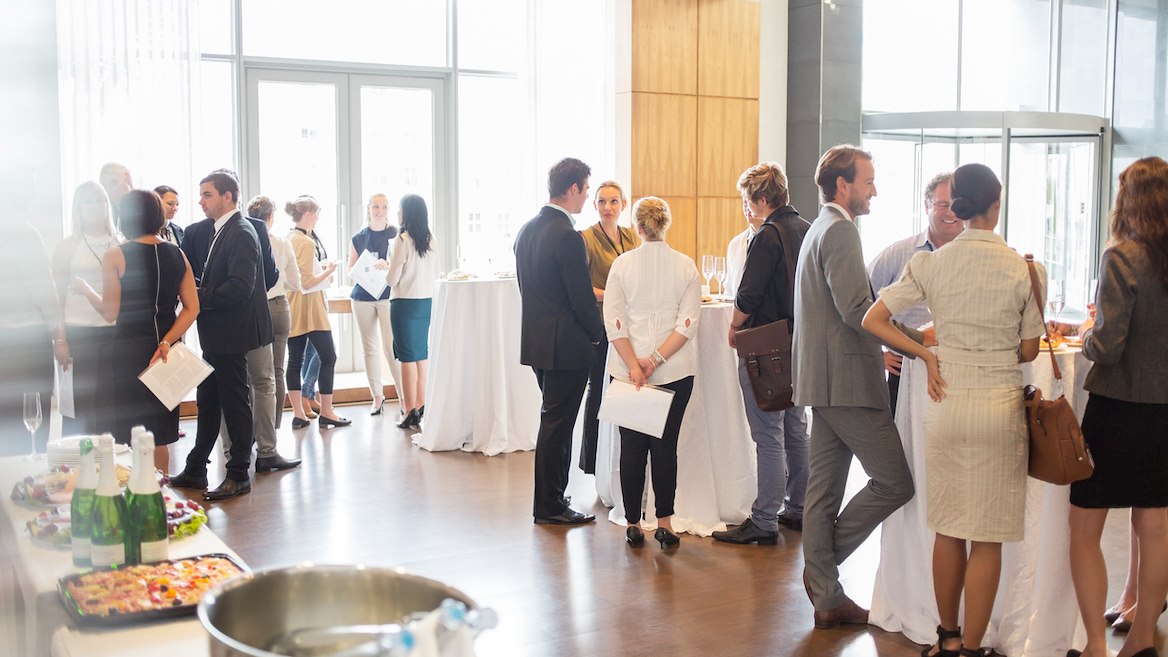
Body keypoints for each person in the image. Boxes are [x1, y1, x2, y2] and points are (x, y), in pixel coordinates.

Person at [862, 163, 1043, 657]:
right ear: (996, 205)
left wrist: (924, 353)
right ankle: (976, 645)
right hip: (999, 409)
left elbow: (874, 317)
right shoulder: (1022, 268)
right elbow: (1029, 352)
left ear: (955, 205)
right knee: (987, 537)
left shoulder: (931, 263)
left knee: (948, 528)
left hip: (945, 405)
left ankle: (947, 637)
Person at [792, 145, 924, 630]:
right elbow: (857, 310)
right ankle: (821, 573)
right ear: (843, 185)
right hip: (847, 380)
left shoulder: (819, 228)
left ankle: (826, 596)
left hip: (821, 378)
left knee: (822, 492)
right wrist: (918, 341)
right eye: (868, 181)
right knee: (895, 481)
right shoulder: (841, 229)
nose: (875, 190)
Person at [1050, 156, 1168, 657]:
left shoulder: (1122, 258)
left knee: (1084, 525)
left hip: (1119, 410)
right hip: (1164, 410)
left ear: (1129, 201)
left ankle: (1095, 645)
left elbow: (1108, 347)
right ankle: (1143, 637)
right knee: (1155, 523)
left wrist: (1091, 333)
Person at [713, 162, 811, 546]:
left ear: (762, 198)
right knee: (795, 427)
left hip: (766, 344)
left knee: (768, 433)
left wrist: (735, 327)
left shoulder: (767, 236)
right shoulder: (805, 228)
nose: (746, 206)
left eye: (747, 198)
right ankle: (799, 507)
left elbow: (748, 293)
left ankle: (764, 519)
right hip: (799, 341)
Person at [74, 190, 199, 472]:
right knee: (160, 435)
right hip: (166, 352)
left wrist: (85, 289)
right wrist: (167, 341)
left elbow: (109, 311)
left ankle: (132, 497)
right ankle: (161, 498)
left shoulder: (115, 255)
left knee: (130, 433)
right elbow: (192, 308)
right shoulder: (177, 254)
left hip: (129, 351)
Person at [169, 169, 274, 500]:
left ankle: (239, 472)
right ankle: (197, 466)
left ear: (228, 197)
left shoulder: (241, 231)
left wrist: (198, 295)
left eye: (207, 195)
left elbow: (241, 288)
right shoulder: (221, 230)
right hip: (218, 334)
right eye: (201, 195)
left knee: (235, 402)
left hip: (232, 332)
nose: (201, 201)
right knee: (209, 400)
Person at [602, 196, 699, 549]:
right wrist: (655, 360)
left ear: (638, 228)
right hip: (674, 370)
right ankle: (666, 523)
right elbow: (687, 323)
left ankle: (631, 522)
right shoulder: (686, 265)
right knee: (665, 448)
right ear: (664, 225)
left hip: (629, 372)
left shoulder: (622, 265)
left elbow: (614, 321)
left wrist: (634, 365)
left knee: (632, 448)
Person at [514, 157, 606, 525]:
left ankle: (552, 496)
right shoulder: (567, 236)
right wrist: (598, 336)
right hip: (567, 346)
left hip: (538, 343)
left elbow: (528, 289)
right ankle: (549, 505)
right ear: (573, 189)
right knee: (558, 424)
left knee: (554, 421)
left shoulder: (527, 230)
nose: (586, 198)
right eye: (585, 190)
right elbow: (580, 297)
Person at [867, 172, 959, 415]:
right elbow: (857, 307)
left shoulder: (976, 257)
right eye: (943, 205)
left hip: (960, 375)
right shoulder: (898, 254)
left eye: (958, 204)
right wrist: (876, 356)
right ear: (927, 205)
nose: (951, 212)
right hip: (905, 373)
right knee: (905, 449)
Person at [0, 172, 63, 454]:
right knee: (31, 414)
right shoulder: (23, 231)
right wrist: (58, 334)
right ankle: (24, 486)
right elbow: (43, 290)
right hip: (27, 338)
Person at [51, 181, 120, 435]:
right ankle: (76, 467)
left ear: (107, 205)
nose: (94, 206)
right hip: (78, 330)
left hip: (113, 331)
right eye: (87, 201)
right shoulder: (68, 246)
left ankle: (111, 465)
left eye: (99, 200)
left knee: (110, 402)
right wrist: (60, 339)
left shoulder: (119, 241)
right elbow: (56, 296)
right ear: (78, 207)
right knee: (79, 406)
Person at [578, 180, 636, 474]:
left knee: (624, 390)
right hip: (599, 325)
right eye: (602, 202)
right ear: (594, 205)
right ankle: (592, 463)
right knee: (598, 390)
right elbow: (580, 287)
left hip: (627, 326)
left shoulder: (631, 236)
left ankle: (619, 462)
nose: (608, 208)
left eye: (613, 202)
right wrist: (612, 294)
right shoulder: (585, 238)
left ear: (624, 204)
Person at [284, 195, 350, 429]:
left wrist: (319, 269)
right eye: (317, 213)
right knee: (328, 356)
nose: (319, 217)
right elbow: (307, 281)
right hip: (309, 308)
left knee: (295, 359)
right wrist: (329, 270)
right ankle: (327, 411)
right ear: (309, 214)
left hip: (293, 305)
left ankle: (299, 413)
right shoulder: (305, 242)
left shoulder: (290, 237)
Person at [385, 194, 438, 430]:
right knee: (420, 356)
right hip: (425, 302)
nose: (397, 213)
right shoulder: (430, 239)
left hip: (404, 302)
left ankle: (409, 411)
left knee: (406, 357)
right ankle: (421, 404)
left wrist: (387, 269)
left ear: (406, 213)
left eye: (399, 209)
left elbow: (392, 278)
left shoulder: (402, 239)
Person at [347, 193, 403, 416]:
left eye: (384, 207)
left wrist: (388, 264)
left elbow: (403, 264)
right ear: (368, 209)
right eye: (375, 206)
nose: (379, 211)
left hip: (388, 296)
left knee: (392, 348)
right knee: (369, 348)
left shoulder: (396, 234)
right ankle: (377, 396)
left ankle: (404, 396)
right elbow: (350, 268)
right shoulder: (358, 237)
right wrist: (366, 267)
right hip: (363, 297)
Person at [248, 195, 300, 432]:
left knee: (254, 373)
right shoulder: (282, 241)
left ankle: (252, 426)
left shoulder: (245, 240)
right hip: (279, 307)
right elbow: (295, 282)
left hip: (254, 308)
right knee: (277, 369)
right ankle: (273, 428)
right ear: (270, 217)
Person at [724, 196, 765, 298]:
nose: (747, 206)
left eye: (750, 200)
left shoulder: (776, 239)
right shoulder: (735, 244)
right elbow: (729, 289)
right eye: (744, 201)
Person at [99, 162, 132, 229]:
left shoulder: (143, 208)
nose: (108, 188)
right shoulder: (102, 211)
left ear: (129, 182)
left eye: (114, 183)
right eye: (104, 184)